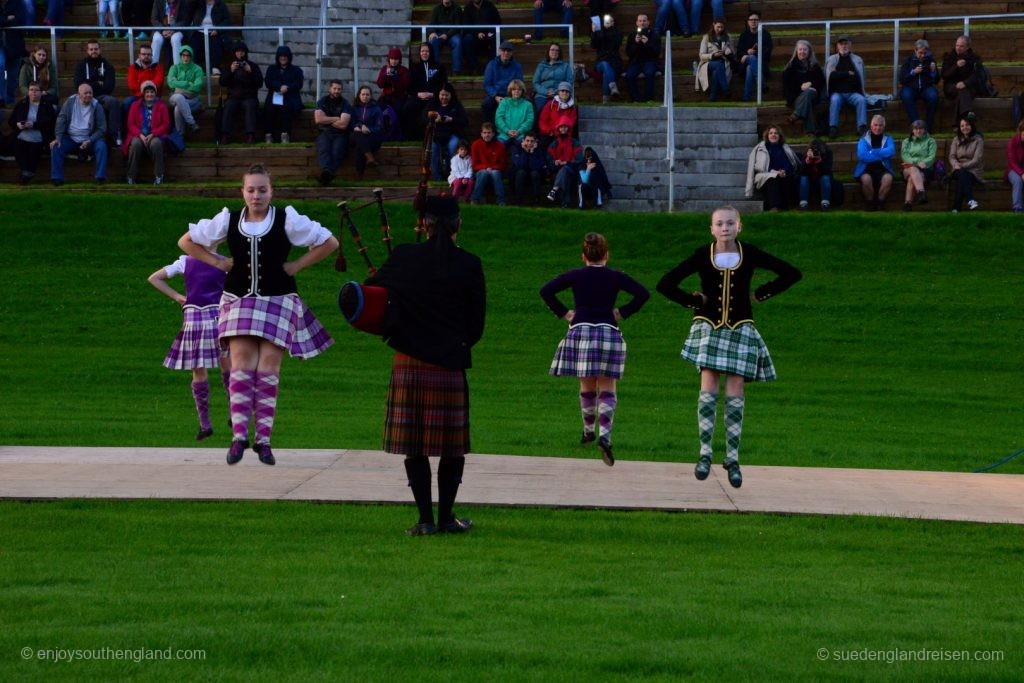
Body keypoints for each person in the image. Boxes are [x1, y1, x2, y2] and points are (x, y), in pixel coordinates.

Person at [177, 164, 339, 466]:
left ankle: (263, 440)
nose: (256, 195)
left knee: (269, 367)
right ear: (243, 192)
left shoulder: (286, 219)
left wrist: (297, 265)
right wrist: (216, 261)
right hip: (238, 299)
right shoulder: (229, 220)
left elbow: (330, 242)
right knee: (240, 363)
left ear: (271, 191)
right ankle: (239, 437)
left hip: (279, 298)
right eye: (251, 190)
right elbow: (186, 242)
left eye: (262, 190)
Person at [363, 195, 486, 536]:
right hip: (448, 364)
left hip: (409, 362)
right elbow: (476, 326)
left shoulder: (403, 256)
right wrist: (450, 346)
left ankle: (424, 521)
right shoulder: (469, 264)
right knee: (452, 447)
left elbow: (370, 295)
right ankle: (446, 518)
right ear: (458, 225)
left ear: (425, 226)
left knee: (414, 444)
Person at [656, 205, 801, 489]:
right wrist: (694, 302)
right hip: (709, 328)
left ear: (739, 226)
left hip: (740, 327)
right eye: (719, 224)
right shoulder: (703, 254)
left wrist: (762, 292)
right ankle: (705, 453)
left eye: (730, 223)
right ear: (711, 229)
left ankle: (732, 457)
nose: (725, 228)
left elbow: (791, 273)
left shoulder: (750, 253)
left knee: (736, 388)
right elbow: (666, 283)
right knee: (708, 387)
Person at [540, 232, 648, 465]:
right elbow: (643, 294)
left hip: (581, 331)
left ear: (583, 256)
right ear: (607, 255)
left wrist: (565, 313)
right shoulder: (615, 277)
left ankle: (588, 430)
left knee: (586, 383)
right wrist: (621, 312)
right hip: (608, 331)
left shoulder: (576, 275)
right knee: (607, 386)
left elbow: (546, 291)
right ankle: (605, 437)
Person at [147, 248, 231, 441]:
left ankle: (205, 424)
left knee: (198, 370)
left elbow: (154, 278)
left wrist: (178, 297)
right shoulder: (225, 263)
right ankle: (233, 414)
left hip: (193, 319)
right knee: (228, 366)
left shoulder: (186, 261)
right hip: (217, 317)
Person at [50, 83, 108, 186]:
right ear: (78, 94)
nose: (89, 95)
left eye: (90, 93)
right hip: (71, 138)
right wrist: (58, 137)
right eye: (85, 93)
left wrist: (90, 140)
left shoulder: (97, 106)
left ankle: (100, 177)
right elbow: (61, 120)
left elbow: (102, 128)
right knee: (56, 146)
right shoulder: (70, 102)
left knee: (102, 146)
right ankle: (57, 178)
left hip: (89, 139)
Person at [73, 41, 122, 147]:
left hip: (101, 97)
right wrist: (97, 83)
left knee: (113, 102)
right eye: (91, 49)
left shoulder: (108, 66)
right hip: (84, 97)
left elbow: (109, 87)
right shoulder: (81, 66)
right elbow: (78, 85)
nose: (94, 51)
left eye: (96, 49)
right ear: (87, 51)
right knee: (71, 101)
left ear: (100, 50)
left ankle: (114, 134)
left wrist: (88, 84)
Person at [9, 81, 57, 185]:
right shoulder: (22, 103)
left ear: (41, 92)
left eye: (36, 90)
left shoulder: (47, 105)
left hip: (40, 134)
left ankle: (26, 174)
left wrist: (34, 124)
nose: (33, 93)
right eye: (31, 90)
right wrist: (17, 124)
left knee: (34, 148)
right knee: (16, 144)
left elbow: (51, 122)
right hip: (22, 133)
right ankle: (28, 172)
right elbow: (11, 121)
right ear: (28, 92)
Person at [123, 79, 170, 184]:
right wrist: (140, 135)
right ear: (143, 93)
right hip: (138, 135)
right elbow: (130, 124)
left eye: (152, 92)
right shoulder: (135, 105)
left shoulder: (161, 106)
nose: (150, 94)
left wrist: (153, 134)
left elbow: (166, 124)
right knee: (135, 144)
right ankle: (131, 176)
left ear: (155, 93)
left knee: (156, 144)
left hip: (155, 135)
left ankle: (159, 176)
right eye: (147, 92)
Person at [745, 125, 800, 211]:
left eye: (776, 133)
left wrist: (783, 171)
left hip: (782, 173)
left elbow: (791, 163)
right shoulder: (761, 148)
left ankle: (785, 206)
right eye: (771, 133)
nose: (773, 135)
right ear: (767, 135)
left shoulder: (784, 147)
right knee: (773, 178)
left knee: (788, 177)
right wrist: (772, 171)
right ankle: (774, 207)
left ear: (779, 136)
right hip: (764, 175)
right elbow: (758, 166)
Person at [218, 41, 263, 144]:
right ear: (234, 53)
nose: (240, 54)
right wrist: (231, 71)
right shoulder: (229, 66)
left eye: (242, 52)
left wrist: (250, 72)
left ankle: (250, 136)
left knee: (250, 106)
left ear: (245, 53)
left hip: (249, 96)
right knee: (228, 106)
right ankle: (224, 136)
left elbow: (260, 83)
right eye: (237, 52)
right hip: (233, 97)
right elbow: (222, 82)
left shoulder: (253, 66)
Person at [825, 36, 867, 139]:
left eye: (846, 44)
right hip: (837, 93)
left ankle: (861, 127)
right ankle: (833, 127)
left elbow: (858, 78)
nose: (844, 46)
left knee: (861, 100)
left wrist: (839, 74)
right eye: (841, 44)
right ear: (837, 46)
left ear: (850, 45)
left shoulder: (858, 60)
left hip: (853, 92)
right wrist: (848, 74)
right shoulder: (831, 60)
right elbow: (831, 77)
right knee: (834, 100)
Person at [941, 35, 989, 123]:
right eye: (957, 45)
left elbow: (977, 75)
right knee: (963, 92)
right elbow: (944, 75)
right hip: (951, 86)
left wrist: (965, 83)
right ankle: (968, 114)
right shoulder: (949, 57)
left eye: (961, 46)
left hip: (969, 87)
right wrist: (956, 66)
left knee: (963, 92)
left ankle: (958, 124)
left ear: (967, 47)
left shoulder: (974, 58)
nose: (958, 48)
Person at [404, 43, 447, 138]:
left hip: (434, 97)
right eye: (422, 51)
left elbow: (444, 84)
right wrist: (418, 94)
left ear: (430, 52)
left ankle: (428, 136)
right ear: (419, 53)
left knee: (427, 111)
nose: (424, 53)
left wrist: (432, 94)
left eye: (427, 51)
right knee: (408, 108)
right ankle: (412, 136)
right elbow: (409, 87)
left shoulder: (439, 67)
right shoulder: (415, 68)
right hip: (418, 97)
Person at [782, 39, 825, 136]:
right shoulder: (790, 67)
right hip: (796, 98)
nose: (802, 52)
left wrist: (811, 83)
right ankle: (809, 131)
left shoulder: (815, 66)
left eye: (805, 50)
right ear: (796, 51)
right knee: (807, 101)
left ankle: (796, 114)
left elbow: (821, 82)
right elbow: (787, 87)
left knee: (809, 92)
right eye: (800, 49)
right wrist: (800, 88)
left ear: (809, 51)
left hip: (813, 96)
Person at [426, 82, 467, 181]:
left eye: (446, 95)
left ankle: (451, 173)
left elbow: (465, 121)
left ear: (451, 95)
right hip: (436, 134)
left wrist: (451, 119)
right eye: (442, 95)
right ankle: (437, 177)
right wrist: (433, 119)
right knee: (433, 149)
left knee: (453, 146)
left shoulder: (456, 105)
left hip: (452, 133)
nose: (444, 97)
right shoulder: (433, 104)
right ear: (438, 94)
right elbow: (423, 118)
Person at [853, 114, 895, 211]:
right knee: (866, 179)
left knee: (888, 179)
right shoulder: (863, 139)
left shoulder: (888, 138)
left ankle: (880, 203)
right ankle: (870, 203)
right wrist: (881, 155)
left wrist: (873, 151)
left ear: (884, 127)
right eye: (875, 125)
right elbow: (862, 155)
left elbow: (891, 151)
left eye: (880, 125)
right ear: (871, 126)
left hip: (883, 168)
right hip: (866, 168)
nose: (878, 127)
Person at [314, 78, 351, 186]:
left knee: (337, 151)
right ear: (330, 88)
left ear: (342, 90)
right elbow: (318, 120)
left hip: (340, 134)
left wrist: (327, 119)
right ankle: (328, 173)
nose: (336, 91)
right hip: (324, 132)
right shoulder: (322, 101)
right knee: (324, 150)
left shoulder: (346, 104)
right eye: (334, 88)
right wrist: (336, 118)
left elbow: (343, 125)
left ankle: (326, 175)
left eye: (339, 89)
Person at [263, 45, 303, 144]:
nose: (283, 58)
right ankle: (269, 134)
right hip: (276, 95)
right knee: (270, 109)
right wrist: (279, 87)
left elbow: (299, 83)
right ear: (278, 57)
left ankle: (285, 134)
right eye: (281, 56)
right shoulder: (271, 69)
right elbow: (268, 82)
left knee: (287, 108)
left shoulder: (296, 70)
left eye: (285, 56)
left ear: (289, 57)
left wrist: (287, 88)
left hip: (290, 96)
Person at [899, 39, 939, 134]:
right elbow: (902, 79)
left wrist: (933, 72)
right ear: (915, 51)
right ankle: (917, 126)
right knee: (906, 95)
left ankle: (928, 128)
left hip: (926, 88)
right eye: (920, 53)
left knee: (934, 96)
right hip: (911, 87)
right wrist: (913, 72)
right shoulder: (908, 61)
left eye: (925, 53)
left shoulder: (931, 61)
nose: (922, 55)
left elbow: (936, 80)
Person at [545, 115, 583, 207]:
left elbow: (580, 160)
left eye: (565, 127)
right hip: (557, 170)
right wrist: (555, 162)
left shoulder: (575, 143)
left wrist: (567, 162)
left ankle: (554, 190)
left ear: (569, 128)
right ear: (558, 128)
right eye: (561, 127)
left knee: (565, 169)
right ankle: (566, 203)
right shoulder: (553, 144)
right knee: (564, 174)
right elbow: (548, 160)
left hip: (572, 170)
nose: (563, 129)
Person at [948, 114, 983, 213]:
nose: (964, 128)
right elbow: (952, 156)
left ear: (971, 126)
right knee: (962, 175)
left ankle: (956, 208)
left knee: (962, 178)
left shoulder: (978, 140)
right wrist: (955, 164)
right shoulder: (956, 139)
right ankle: (970, 200)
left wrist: (961, 166)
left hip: (973, 170)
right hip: (957, 169)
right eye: (962, 126)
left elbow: (977, 159)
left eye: (967, 125)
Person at [736, 11, 773, 102]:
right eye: (751, 20)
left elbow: (767, 53)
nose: (753, 22)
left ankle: (746, 98)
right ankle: (762, 85)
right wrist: (746, 52)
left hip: (761, 65)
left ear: (759, 21)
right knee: (748, 66)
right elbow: (739, 53)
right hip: (743, 66)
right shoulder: (744, 35)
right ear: (748, 22)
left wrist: (751, 55)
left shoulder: (766, 35)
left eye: (756, 20)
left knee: (750, 67)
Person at [481, 40, 522, 124]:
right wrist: (495, 96)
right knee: (486, 104)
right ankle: (488, 129)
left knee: (527, 103)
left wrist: (510, 96)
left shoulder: (517, 66)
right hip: (495, 94)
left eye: (508, 51)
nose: (506, 53)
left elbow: (519, 83)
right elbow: (487, 84)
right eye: (504, 50)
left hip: (512, 94)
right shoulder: (491, 64)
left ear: (512, 53)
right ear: (499, 51)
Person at [167, 44, 204, 136]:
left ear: (191, 56)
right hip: (175, 97)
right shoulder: (174, 68)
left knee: (177, 108)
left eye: (188, 55)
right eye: (183, 55)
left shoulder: (197, 69)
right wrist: (187, 83)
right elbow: (170, 83)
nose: (185, 58)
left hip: (193, 100)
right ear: (180, 56)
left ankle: (180, 135)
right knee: (179, 97)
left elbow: (197, 87)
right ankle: (192, 123)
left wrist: (178, 86)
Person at [899, 119, 936, 210]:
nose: (918, 131)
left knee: (912, 177)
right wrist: (917, 162)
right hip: (908, 168)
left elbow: (931, 157)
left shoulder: (931, 141)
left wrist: (923, 163)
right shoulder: (906, 141)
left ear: (925, 129)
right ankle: (921, 193)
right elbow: (905, 156)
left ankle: (908, 203)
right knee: (913, 169)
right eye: (916, 129)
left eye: (921, 128)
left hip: (925, 168)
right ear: (912, 130)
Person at [186, 0, 231, 73]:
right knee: (194, 43)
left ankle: (214, 67)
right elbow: (189, 6)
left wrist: (217, 30)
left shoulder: (220, 4)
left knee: (216, 43)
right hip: (198, 30)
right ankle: (194, 67)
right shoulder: (198, 3)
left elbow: (227, 20)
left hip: (214, 31)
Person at [350, 84, 383, 180]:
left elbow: (380, 127)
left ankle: (359, 174)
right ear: (359, 95)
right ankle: (370, 158)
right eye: (363, 94)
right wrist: (359, 126)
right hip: (354, 136)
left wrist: (369, 129)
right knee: (358, 134)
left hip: (371, 137)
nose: (365, 96)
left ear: (371, 96)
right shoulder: (354, 108)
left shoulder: (376, 109)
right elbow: (350, 124)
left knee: (359, 147)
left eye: (367, 94)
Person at [696, 18, 733, 102]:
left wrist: (728, 52)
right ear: (713, 25)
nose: (720, 29)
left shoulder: (728, 37)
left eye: (722, 27)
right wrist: (713, 55)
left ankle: (712, 97)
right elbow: (701, 56)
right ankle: (725, 89)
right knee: (718, 64)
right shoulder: (706, 37)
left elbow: (733, 53)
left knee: (717, 71)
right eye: (718, 27)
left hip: (723, 63)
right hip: (707, 64)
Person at [469, 121, 507, 205]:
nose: (487, 135)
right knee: (483, 173)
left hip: (495, 170)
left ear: (493, 134)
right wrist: (486, 168)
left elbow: (502, 164)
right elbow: (475, 165)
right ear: (481, 134)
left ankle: (501, 201)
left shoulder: (500, 145)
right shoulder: (475, 145)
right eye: (484, 133)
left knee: (495, 173)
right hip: (481, 170)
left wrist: (492, 168)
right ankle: (475, 199)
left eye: (489, 132)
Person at [625, 14, 660, 103]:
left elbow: (656, 53)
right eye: (640, 21)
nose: (642, 23)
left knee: (649, 73)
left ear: (648, 22)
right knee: (629, 75)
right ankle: (635, 99)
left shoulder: (654, 34)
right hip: (636, 61)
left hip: (650, 61)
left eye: (644, 21)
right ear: (637, 23)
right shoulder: (632, 34)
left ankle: (649, 99)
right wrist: (636, 43)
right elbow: (629, 53)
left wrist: (647, 43)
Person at [125, 42, 165, 116]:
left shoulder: (159, 68)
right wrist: (147, 90)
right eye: (143, 54)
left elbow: (158, 83)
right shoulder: (132, 68)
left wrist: (146, 91)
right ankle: (125, 127)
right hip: (137, 96)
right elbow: (132, 85)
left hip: (154, 96)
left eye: (149, 54)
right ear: (139, 55)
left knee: (162, 106)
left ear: (151, 55)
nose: (146, 56)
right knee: (127, 103)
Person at [461, 0, 500, 75]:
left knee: (499, 39)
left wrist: (490, 32)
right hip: (475, 37)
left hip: (489, 35)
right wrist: (477, 33)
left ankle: (490, 67)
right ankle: (474, 68)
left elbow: (497, 21)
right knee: (467, 39)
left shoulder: (490, 6)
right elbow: (466, 27)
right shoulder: (468, 8)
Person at [531, 42, 572, 113]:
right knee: (540, 108)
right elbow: (535, 83)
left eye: (557, 50)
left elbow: (569, 82)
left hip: (560, 94)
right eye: (552, 50)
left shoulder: (565, 66)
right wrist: (545, 92)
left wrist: (557, 92)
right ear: (548, 51)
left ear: (559, 53)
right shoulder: (541, 66)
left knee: (558, 110)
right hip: (542, 94)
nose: (554, 52)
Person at [590, 13, 622, 103]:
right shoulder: (599, 32)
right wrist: (594, 32)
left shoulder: (617, 32)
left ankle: (606, 99)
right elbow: (594, 45)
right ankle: (613, 86)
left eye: (610, 21)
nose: (608, 22)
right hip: (601, 62)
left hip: (614, 62)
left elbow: (617, 43)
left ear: (613, 22)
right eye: (606, 21)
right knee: (605, 64)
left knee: (606, 74)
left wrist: (610, 28)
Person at [508, 132, 547, 204]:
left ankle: (537, 200)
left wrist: (531, 152)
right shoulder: (517, 148)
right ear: (523, 141)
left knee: (535, 173)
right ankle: (518, 200)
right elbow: (520, 165)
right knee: (521, 172)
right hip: (519, 176)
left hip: (535, 176)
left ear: (535, 142)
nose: (529, 143)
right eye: (527, 140)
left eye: (532, 141)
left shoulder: (539, 150)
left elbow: (536, 167)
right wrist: (526, 152)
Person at [536, 80, 576, 152]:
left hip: (563, 133)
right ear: (558, 92)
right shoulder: (550, 104)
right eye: (562, 91)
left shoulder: (572, 108)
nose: (564, 93)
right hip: (549, 132)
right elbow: (542, 120)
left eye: (567, 91)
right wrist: (549, 131)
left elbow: (571, 123)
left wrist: (559, 132)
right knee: (542, 143)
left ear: (570, 93)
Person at [494, 78, 533, 148]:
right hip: (504, 134)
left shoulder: (528, 105)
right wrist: (507, 131)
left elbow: (529, 121)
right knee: (498, 146)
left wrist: (519, 131)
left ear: (522, 91)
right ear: (510, 91)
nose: (517, 91)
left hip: (521, 135)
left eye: (519, 89)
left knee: (525, 146)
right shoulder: (504, 102)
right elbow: (498, 118)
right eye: (514, 89)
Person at [427, 0, 462, 76]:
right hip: (438, 34)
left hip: (452, 34)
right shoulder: (436, 9)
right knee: (433, 41)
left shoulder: (457, 8)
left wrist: (447, 35)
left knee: (458, 42)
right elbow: (431, 24)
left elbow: (457, 26)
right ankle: (435, 70)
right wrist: (432, 32)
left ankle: (456, 71)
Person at [797, 137, 834, 211]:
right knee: (804, 178)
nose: (815, 152)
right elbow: (802, 172)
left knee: (825, 178)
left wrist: (820, 162)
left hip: (822, 178)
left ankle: (825, 204)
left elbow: (828, 171)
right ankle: (803, 203)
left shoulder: (828, 153)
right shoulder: (806, 153)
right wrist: (807, 162)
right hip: (809, 179)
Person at [151, 0, 187, 66]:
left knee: (175, 39)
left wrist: (173, 29)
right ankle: (152, 67)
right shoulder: (158, 1)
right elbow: (154, 19)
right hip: (161, 29)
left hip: (177, 30)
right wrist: (162, 30)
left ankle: (178, 68)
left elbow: (185, 20)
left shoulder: (183, 2)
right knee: (157, 39)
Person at [375, 47, 410, 114]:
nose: (393, 61)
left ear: (399, 60)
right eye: (392, 59)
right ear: (389, 59)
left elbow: (405, 86)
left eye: (396, 59)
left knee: (398, 112)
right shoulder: (385, 68)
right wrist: (385, 75)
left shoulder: (404, 70)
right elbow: (380, 84)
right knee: (378, 110)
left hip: (399, 98)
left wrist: (395, 77)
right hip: (386, 97)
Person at [1005, 119, 1024, 214]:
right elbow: (1012, 162)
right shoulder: (1012, 142)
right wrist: (1022, 173)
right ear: (1020, 131)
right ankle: (1018, 209)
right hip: (1013, 170)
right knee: (1018, 180)